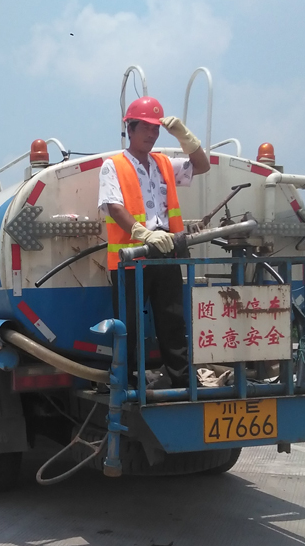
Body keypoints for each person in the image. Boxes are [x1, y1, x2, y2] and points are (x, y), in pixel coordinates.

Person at [98, 96, 210, 387]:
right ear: (130, 129)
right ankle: (127, 385)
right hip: (130, 258)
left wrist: (185, 136)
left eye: (156, 129)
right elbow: (114, 206)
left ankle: (182, 382)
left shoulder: (163, 164)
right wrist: (143, 233)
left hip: (166, 253)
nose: (152, 134)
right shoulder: (113, 166)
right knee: (128, 326)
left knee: (173, 321)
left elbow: (202, 165)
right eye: (146, 128)